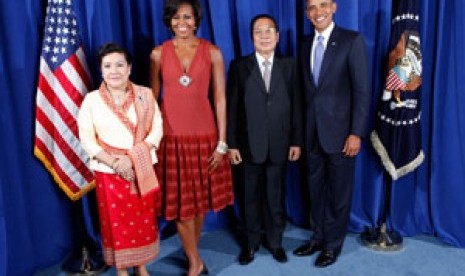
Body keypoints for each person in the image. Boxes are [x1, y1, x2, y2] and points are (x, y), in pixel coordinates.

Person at [149, 0, 234, 275]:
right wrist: (151, 140)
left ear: (196, 20)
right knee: (183, 205)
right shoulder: (158, 54)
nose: (181, 22)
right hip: (172, 139)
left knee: (199, 203)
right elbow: (151, 99)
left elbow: (220, 99)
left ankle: (193, 256)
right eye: (175, 17)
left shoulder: (214, 52)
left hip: (206, 137)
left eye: (187, 16)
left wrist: (222, 142)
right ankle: (196, 263)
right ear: (169, 21)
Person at [292, 0, 371, 267]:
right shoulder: (304, 44)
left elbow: (362, 91)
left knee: (338, 193)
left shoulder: (351, 41)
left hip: (341, 135)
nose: (318, 12)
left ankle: (332, 245)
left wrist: (356, 133)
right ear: (306, 13)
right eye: (312, 7)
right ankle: (317, 237)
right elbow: (304, 94)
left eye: (323, 5)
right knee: (314, 190)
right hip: (311, 134)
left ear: (334, 7)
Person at [78, 43, 163, 276]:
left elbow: (157, 129)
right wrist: (116, 163)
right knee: (115, 224)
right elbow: (86, 138)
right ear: (101, 70)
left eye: (119, 65)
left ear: (129, 68)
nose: (113, 70)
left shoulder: (145, 95)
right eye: (107, 66)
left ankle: (141, 265)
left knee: (143, 220)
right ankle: (122, 269)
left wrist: (132, 158)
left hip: (140, 169)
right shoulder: (92, 100)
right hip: (108, 171)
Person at [227, 14, 303, 265]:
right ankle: (251, 244)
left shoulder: (290, 65)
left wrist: (295, 140)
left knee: (275, 195)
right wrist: (232, 144)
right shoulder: (239, 66)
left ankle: (276, 242)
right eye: (258, 31)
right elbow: (233, 107)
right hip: (249, 145)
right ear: (252, 38)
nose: (264, 36)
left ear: (277, 36)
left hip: (280, 144)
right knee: (250, 196)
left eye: (269, 31)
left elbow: (296, 106)